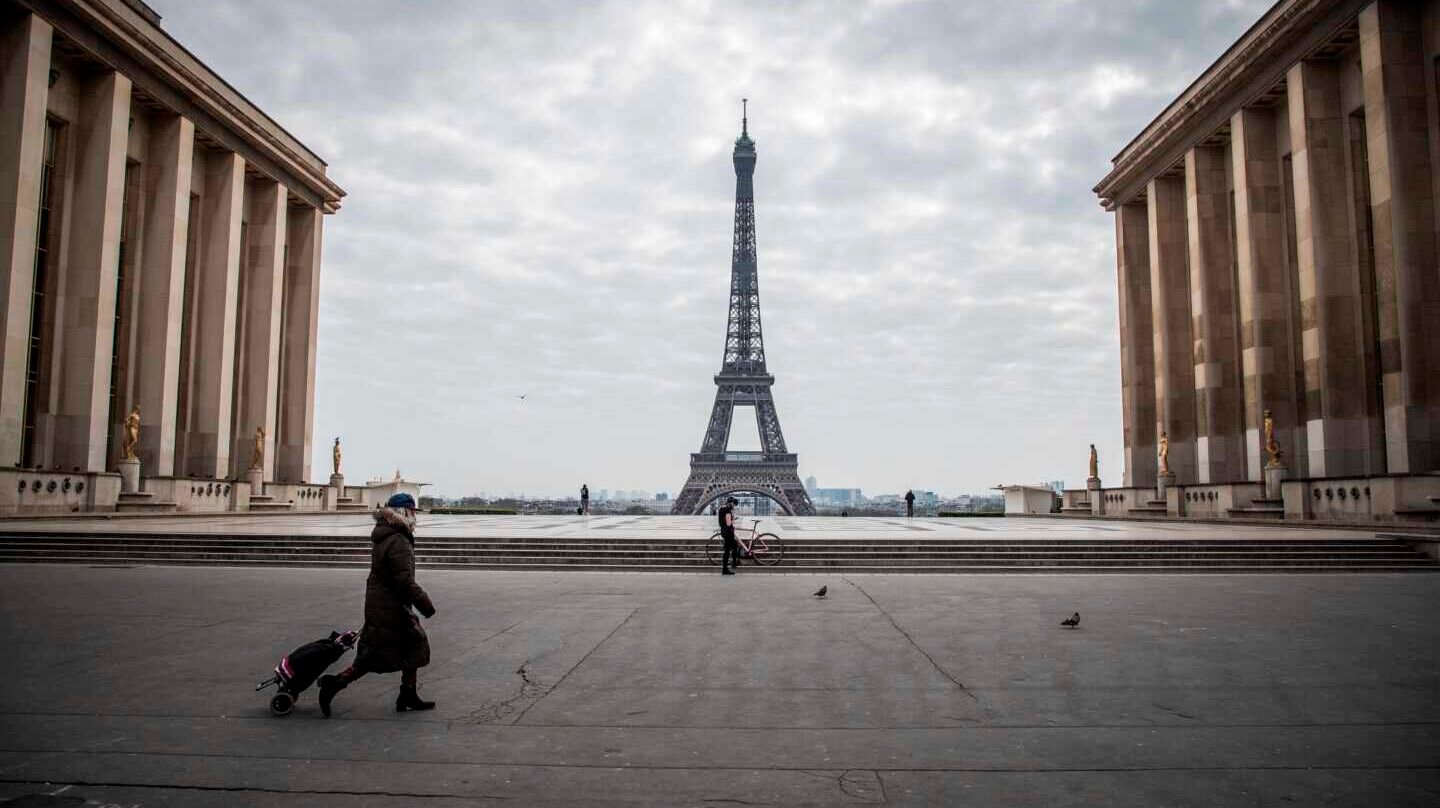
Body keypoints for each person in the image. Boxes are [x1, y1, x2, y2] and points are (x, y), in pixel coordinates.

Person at [318, 492, 437, 716]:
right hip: (390, 606)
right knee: (378, 654)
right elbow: (404, 580)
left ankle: (408, 694)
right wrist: (425, 604)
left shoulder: (387, 535)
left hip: (383, 602)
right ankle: (335, 683)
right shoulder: (398, 540)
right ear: (403, 512)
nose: (415, 516)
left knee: (411, 645)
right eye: (412, 511)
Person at [718, 496, 740, 575]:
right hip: (728, 533)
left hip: (724, 531)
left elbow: (723, 521)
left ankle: (733, 564)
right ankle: (725, 569)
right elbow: (728, 523)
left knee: (734, 545)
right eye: (733, 504)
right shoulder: (727, 510)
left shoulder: (722, 509)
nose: (734, 506)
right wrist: (733, 519)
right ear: (730, 503)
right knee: (727, 550)